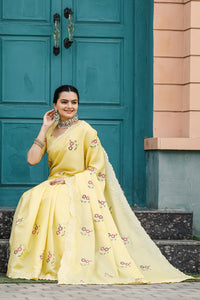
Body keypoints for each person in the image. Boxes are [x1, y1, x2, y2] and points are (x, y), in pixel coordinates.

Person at [7, 85, 191, 284]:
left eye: (74, 102)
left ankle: (65, 265)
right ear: (55, 105)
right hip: (53, 184)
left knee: (60, 202)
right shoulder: (50, 130)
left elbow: (96, 170)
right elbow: (32, 160)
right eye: (64, 102)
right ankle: (41, 264)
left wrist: (70, 181)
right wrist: (44, 127)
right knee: (30, 197)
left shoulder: (86, 130)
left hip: (76, 186)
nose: (69, 106)